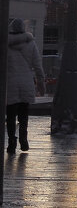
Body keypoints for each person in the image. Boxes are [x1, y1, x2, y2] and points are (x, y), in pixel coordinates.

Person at [6, 18, 46, 153]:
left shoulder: (5, 43)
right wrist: (41, 82)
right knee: (24, 114)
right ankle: (23, 139)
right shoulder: (31, 43)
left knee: (10, 115)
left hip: (10, 82)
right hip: (26, 82)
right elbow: (37, 64)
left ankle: (11, 142)